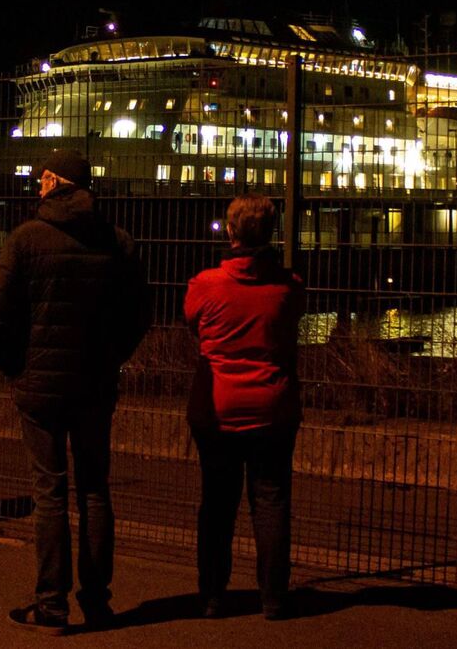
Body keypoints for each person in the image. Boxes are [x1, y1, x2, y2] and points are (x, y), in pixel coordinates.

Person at [0, 150, 150, 633]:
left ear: (56, 182)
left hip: (40, 386)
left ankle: (52, 603)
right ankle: (96, 600)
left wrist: (15, 364)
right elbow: (139, 313)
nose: (37, 185)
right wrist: (112, 356)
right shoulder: (117, 241)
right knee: (95, 489)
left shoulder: (26, 239)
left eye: (42, 178)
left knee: (49, 492)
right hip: (95, 383)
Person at [183, 193, 305, 620]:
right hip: (273, 407)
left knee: (218, 502)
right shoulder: (289, 287)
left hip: (218, 407)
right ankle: (273, 597)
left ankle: (212, 595)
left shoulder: (205, 285)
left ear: (230, 231)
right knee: (270, 500)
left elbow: (192, 322)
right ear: (271, 231)